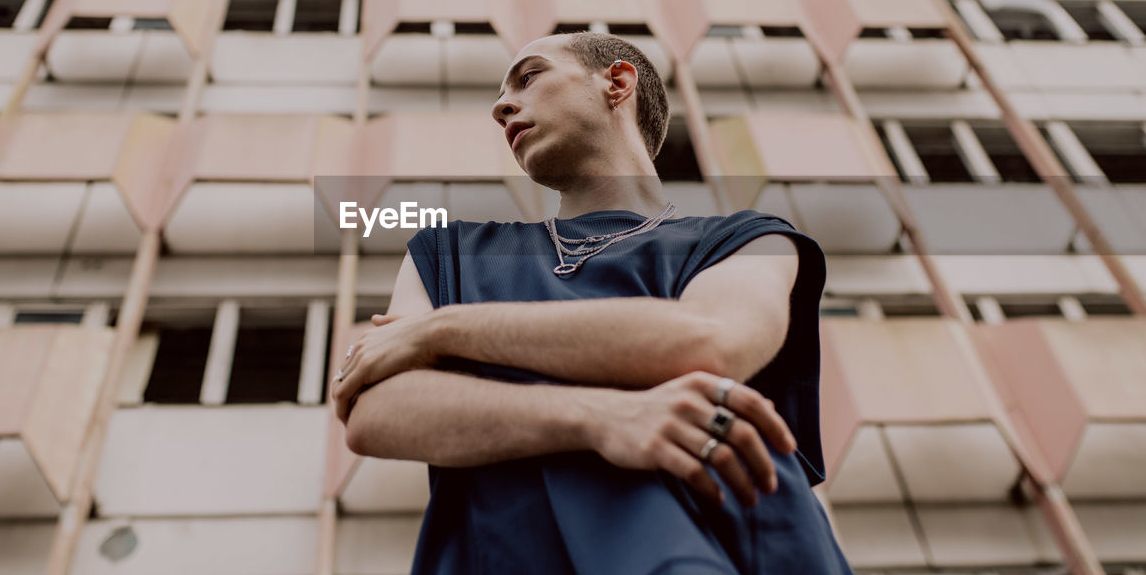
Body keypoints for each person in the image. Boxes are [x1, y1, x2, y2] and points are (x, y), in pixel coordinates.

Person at [329, 32, 854, 575]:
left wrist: (438, 332)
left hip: (734, 547)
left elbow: (710, 341)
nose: (500, 105)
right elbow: (377, 412)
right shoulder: (445, 251)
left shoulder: (751, 238)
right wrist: (600, 417)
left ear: (617, 83)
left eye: (529, 77)